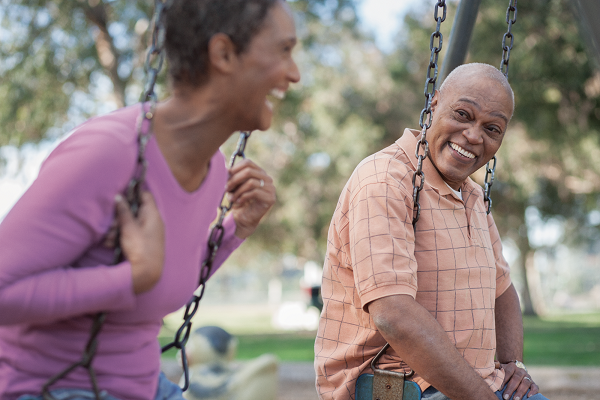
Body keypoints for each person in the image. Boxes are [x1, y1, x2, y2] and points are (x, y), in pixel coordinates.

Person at [0, 0, 300, 399]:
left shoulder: (211, 170)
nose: (293, 74)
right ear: (224, 54)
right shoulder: (108, 153)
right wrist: (129, 277)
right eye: (284, 51)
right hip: (59, 386)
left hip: (142, 385)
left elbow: (162, 280)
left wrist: (235, 229)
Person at [314, 63, 548, 400]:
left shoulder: (472, 195)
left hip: (478, 387)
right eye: (463, 114)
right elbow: (393, 314)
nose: (473, 135)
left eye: (492, 128)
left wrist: (514, 364)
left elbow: (502, 288)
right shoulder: (385, 180)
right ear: (433, 104)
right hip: (400, 391)